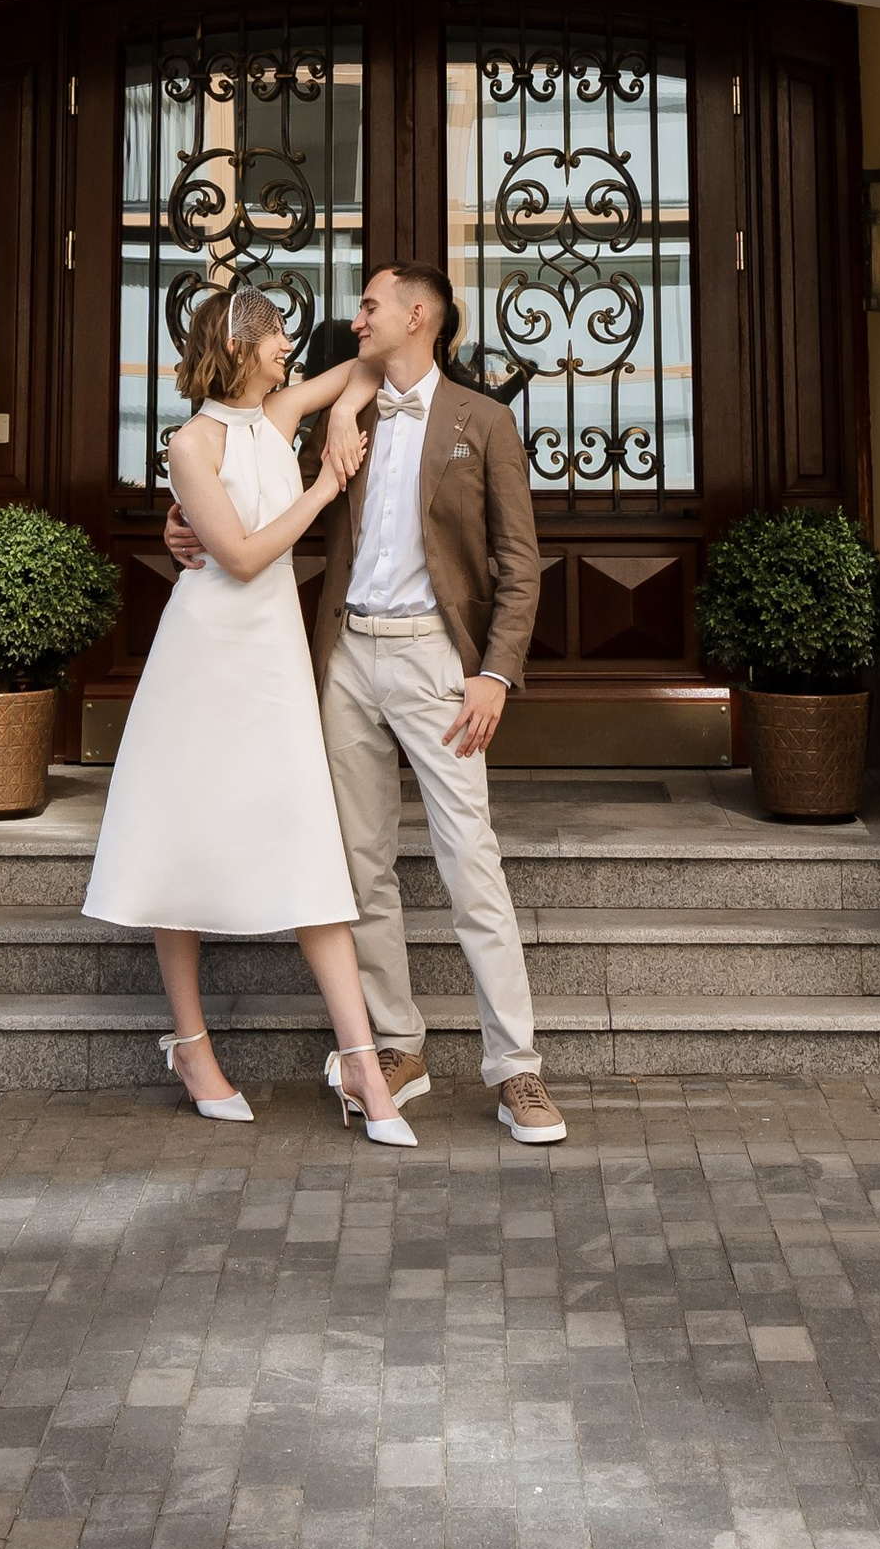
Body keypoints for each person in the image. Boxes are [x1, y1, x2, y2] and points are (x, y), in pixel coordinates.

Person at [169, 261, 569, 1147]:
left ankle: (517, 1071)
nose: (357, 320)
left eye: (371, 305)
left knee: (472, 862)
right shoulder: (337, 415)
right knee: (360, 865)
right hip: (344, 656)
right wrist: (181, 523)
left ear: (417, 315)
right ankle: (396, 1045)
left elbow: (518, 561)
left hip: (437, 664)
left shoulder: (484, 421)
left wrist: (493, 674)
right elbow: (241, 486)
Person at [81, 284, 414, 1141]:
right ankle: (192, 1047)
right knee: (179, 845)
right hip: (203, 660)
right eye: (275, 339)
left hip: (271, 666)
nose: (286, 351)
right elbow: (237, 555)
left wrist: (337, 419)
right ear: (238, 346)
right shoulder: (190, 442)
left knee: (309, 846)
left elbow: (368, 367)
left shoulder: (283, 415)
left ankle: (365, 1070)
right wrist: (324, 490)